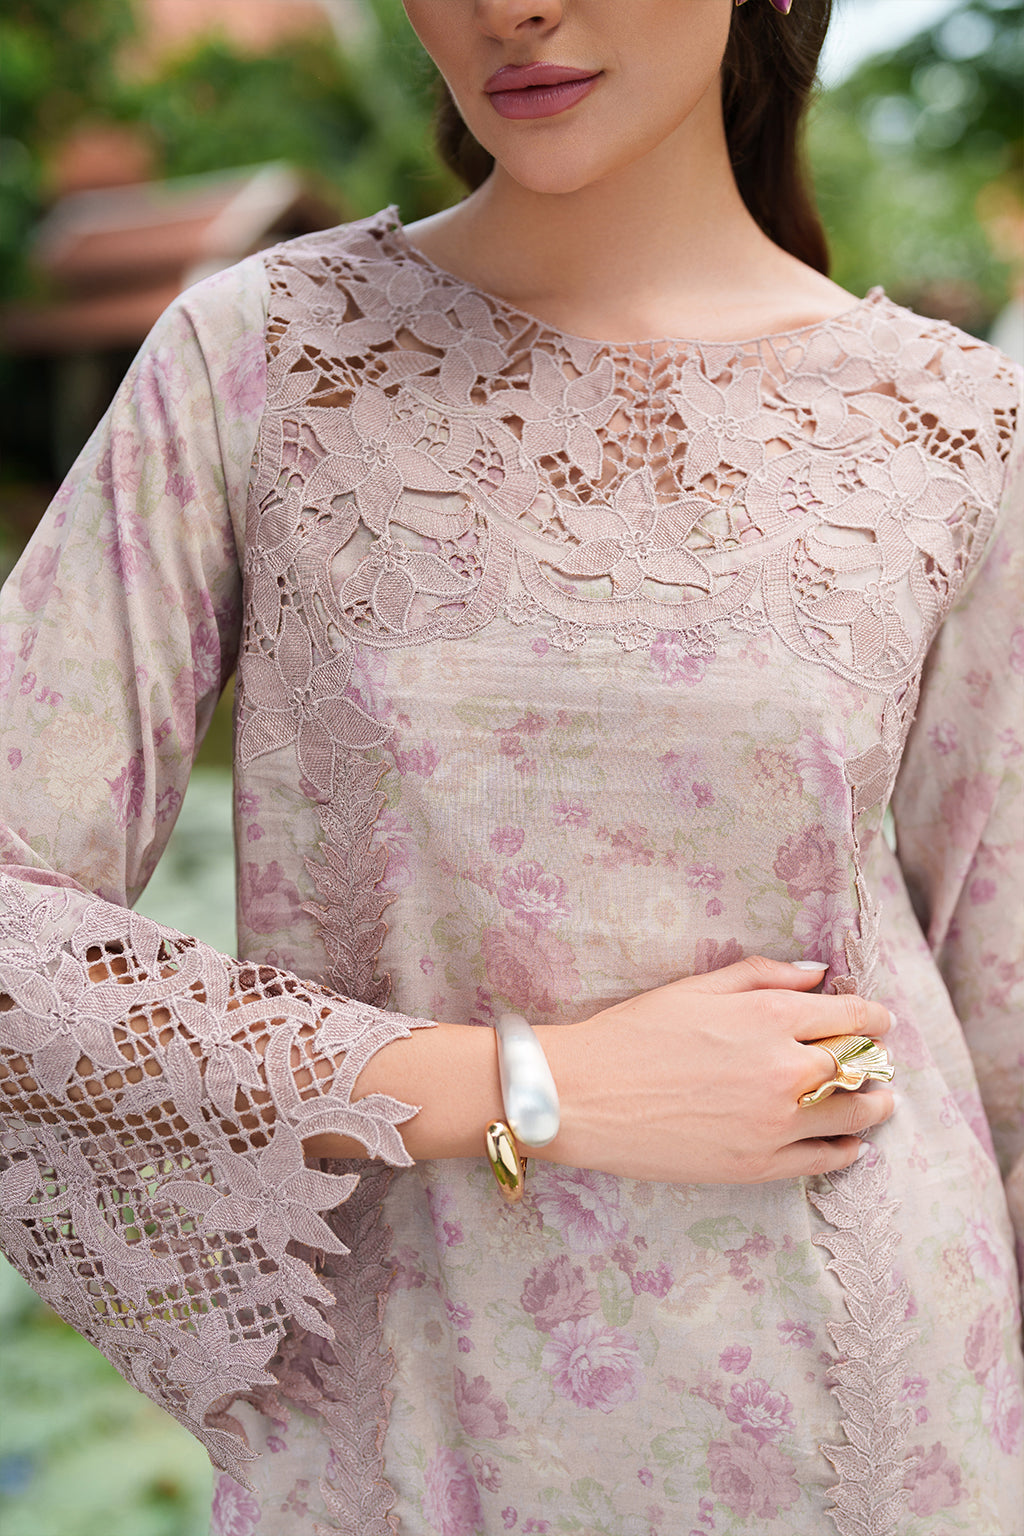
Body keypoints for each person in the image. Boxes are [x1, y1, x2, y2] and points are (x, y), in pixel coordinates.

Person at [1, 0, 1021, 1532]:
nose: (512, 7)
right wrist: (532, 1089)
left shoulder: (952, 427)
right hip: (417, 1427)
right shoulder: (264, 361)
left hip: (877, 1425)